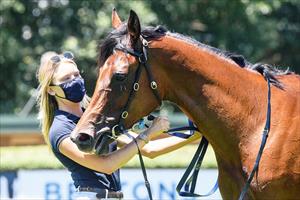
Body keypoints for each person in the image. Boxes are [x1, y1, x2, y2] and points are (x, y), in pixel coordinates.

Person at [36, 51, 201, 200]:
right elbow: (107, 165)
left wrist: (195, 135)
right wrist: (149, 133)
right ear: (51, 90)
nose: (74, 80)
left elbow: (150, 150)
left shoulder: (97, 120)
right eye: (66, 79)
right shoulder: (59, 129)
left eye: (76, 74)